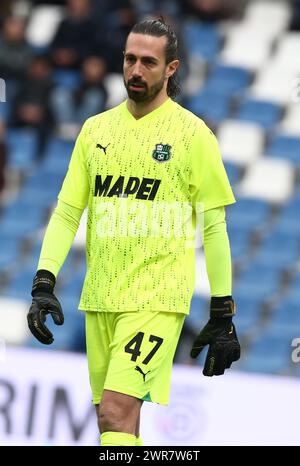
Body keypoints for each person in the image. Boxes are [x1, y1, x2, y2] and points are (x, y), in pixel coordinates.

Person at [27, 18, 241, 447]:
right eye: (129, 59)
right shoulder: (95, 130)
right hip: (102, 295)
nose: (136, 70)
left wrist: (223, 311)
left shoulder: (192, 135)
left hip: (157, 298)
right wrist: (44, 281)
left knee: (115, 411)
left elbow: (214, 225)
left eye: (148, 61)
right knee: (116, 426)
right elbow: (68, 213)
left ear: (171, 68)